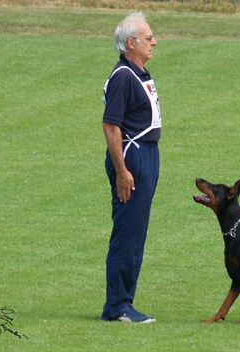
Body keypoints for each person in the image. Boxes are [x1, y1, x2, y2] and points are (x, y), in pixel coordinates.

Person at [101, 12, 161, 324]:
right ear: (130, 43)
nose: (154, 41)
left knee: (137, 235)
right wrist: (122, 170)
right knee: (128, 234)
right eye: (148, 37)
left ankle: (125, 303)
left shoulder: (140, 72)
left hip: (147, 155)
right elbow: (111, 126)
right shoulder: (124, 76)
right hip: (133, 158)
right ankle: (118, 307)